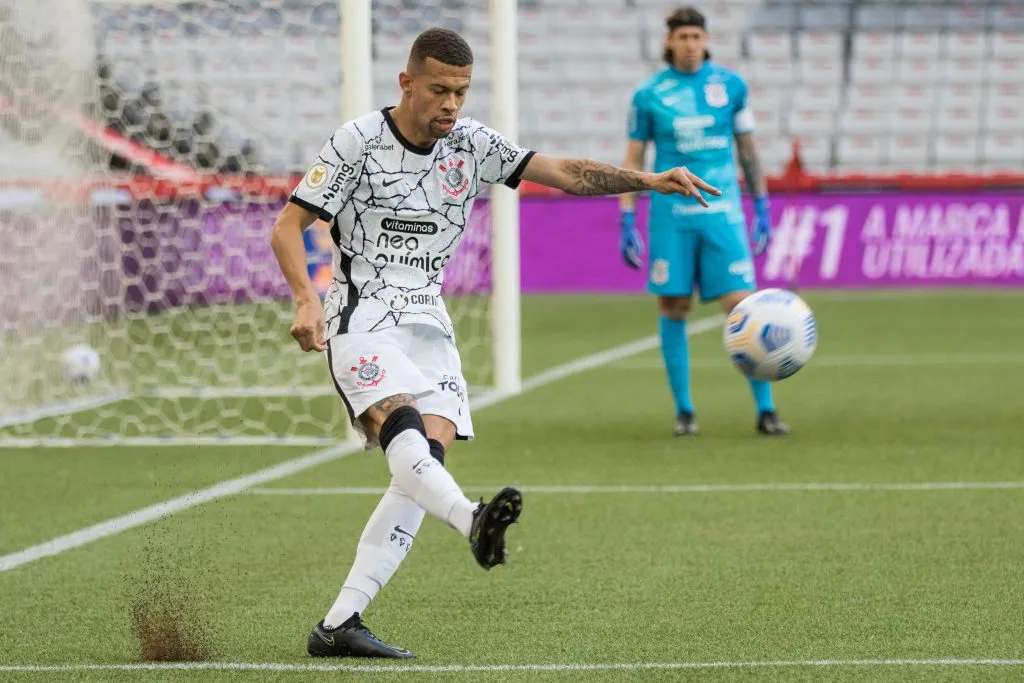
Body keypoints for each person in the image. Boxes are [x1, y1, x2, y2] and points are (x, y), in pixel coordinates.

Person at [270, 26, 719, 659]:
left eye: (461, 91)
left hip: (431, 322)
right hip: (360, 316)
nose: (451, 104)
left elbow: (562, 171)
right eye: (439, 90)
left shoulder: (473, 144)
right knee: (401, 433)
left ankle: (339, 623)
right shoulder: (358, 142)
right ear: (407, 83)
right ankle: (472, 520)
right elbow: (289, 227)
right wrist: (306, 299)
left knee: (420, 467)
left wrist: (647, 181)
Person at [618, 6, 789, 437]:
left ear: (706, 40)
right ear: (669, 42)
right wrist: (626, 216)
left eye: (697, 36)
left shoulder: (731, 86)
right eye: (683, 37)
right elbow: (634, 160)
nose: (691, 44)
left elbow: (747, 151)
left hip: (722, 215)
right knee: (674, 307)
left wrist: (762, 206)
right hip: (671, 217)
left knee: (742, 307)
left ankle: (766, 409)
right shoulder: (648, 95)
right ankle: (685, 411)